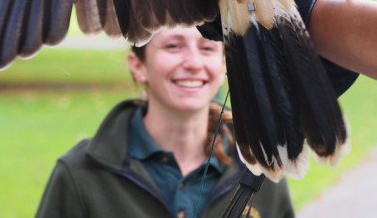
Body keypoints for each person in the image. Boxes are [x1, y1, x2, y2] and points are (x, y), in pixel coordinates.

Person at [34, 25, 295, 218]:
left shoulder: (260, 169)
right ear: (138, 66)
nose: (193, 63)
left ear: (224, 63)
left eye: (207, 48)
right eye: (173, 46)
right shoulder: (80, 173)